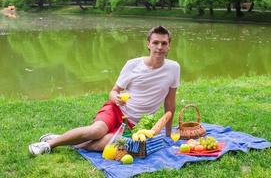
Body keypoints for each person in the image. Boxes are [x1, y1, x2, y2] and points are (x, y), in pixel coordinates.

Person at [28, 26, 180, 156]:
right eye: (156, 43)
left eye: (163, 43)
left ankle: (68, 140)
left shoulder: (174, 68)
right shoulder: (133, 65)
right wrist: (116, 99)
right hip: (117, 110)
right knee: (96, 132)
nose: (159, 47)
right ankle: (49, 145)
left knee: (110, 143)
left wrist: (167, 134)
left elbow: (170, 103)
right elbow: (114, 91)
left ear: (169, 46)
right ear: (148, 44)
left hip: (137, 125)